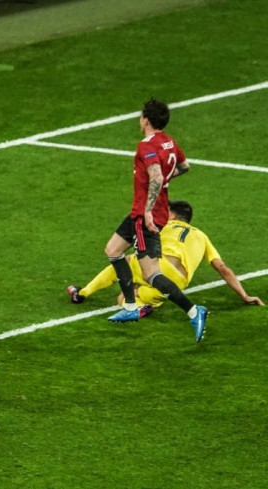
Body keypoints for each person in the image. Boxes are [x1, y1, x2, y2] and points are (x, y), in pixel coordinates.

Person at [104, 99, 208, 342]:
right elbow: (184, 166)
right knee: (113, 250)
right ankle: (130, 307)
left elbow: (157, 176)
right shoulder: (169, 142)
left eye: (141, 115)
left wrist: (148, 209)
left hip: (146, 215)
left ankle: (194, 311)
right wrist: (163, 186)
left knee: (151, 274)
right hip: (144, 213)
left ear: (146, 120)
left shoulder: (146, 146)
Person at [68, 200, 264, 310]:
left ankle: (82, 293)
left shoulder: (162, 224)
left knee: (121, 261)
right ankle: (140, 306)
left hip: (159, 268)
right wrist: (245, 296)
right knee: (124, 298)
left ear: (173, 216)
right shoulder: (202, 237)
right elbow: (223, 268)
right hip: (177, 282)